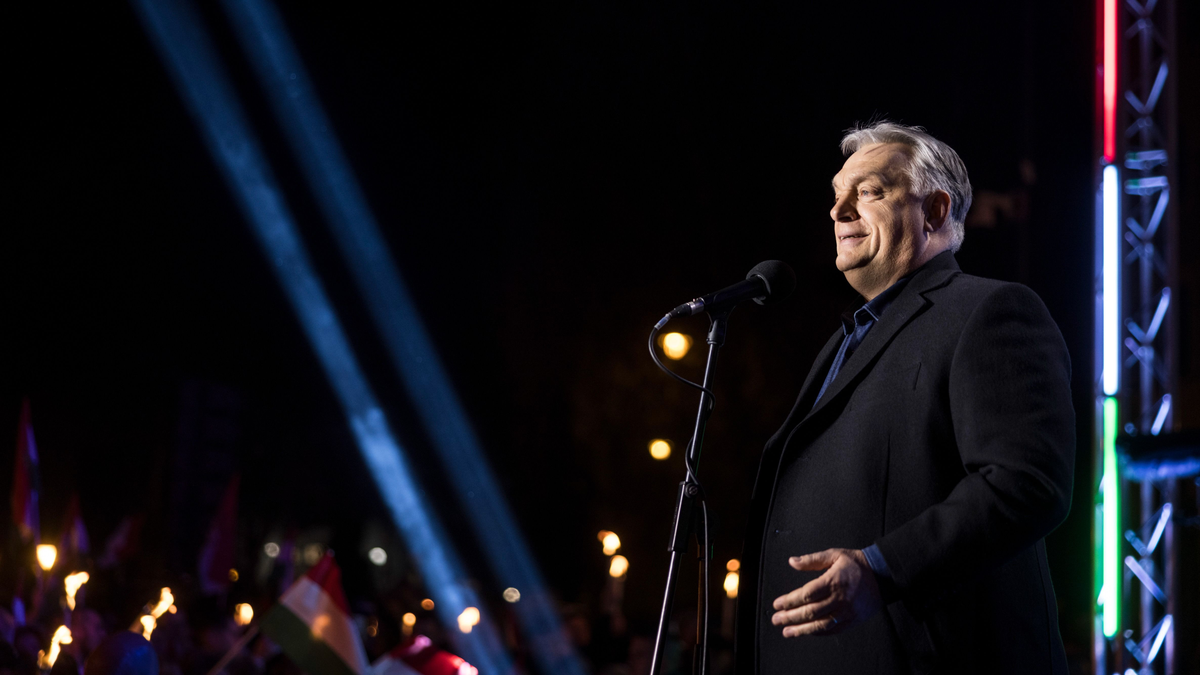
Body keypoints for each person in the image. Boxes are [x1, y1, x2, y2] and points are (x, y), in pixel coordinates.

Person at [735, 122, 1074, 674]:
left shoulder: (990, 312)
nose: (838, 210)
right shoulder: (844, 341)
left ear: (935, 211)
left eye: (869, 191)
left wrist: (882, 568)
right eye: (836, 195)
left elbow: (1027, 483)